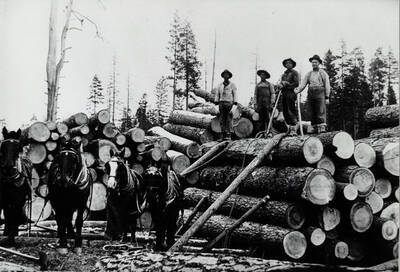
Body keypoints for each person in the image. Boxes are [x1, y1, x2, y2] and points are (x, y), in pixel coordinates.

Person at [294, 54, 331, 133]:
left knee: (320, 110)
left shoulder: (323, 73)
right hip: (311, 93)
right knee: (311, 110)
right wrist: (298, 90)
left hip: (320, 92)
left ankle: (322, 127)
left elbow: (327, 85)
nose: (314, 64)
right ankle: (313, 127)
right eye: (313, 62)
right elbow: (303, 84)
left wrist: (327, 96)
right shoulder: (309, 73)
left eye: (316, 62)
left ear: (319, 63)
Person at [276, 58, 300, 136]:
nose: (288, 64)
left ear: (292, 64)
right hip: (284, 94)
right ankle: (289, 129)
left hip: (291, 94)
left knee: (291, 111)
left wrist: (287, 84)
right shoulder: (284, 74)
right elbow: (281, 84)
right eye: (286, 63)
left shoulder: (295, 73)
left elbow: (296, 83)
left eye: (290, 63)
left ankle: (294, 129)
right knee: (285, 111)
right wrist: (280, 85)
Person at [215, 69, 237, 140]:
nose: (226, 76)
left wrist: (235, 103)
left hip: (229, 103)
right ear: (223, 76)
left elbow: (235, 94)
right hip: (222, 103)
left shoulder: (232, 85)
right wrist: (216, 102)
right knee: (222, 119)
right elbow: (217, 94)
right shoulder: (220, 85)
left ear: (229, 76)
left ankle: (229, 135)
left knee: (229, 119)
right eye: (224, 75)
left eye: (227, 75)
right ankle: (222, 134)